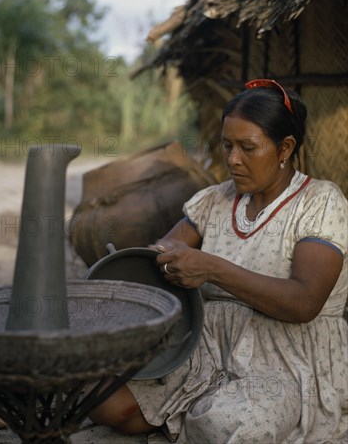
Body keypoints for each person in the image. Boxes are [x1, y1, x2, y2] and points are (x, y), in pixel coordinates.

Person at [89, 79, 348, 443]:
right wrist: (148, 262)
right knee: (106, 403)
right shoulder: (214, 200)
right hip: (206, 345)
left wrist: (211, 268)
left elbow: (304, 302)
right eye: (227, 145)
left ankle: (201, 412)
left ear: (284, 148)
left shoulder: (320, 203)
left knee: (226, 425)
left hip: (285, 360)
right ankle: (191, 407)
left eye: (248, 147)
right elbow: (162, 252)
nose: (232, 159)